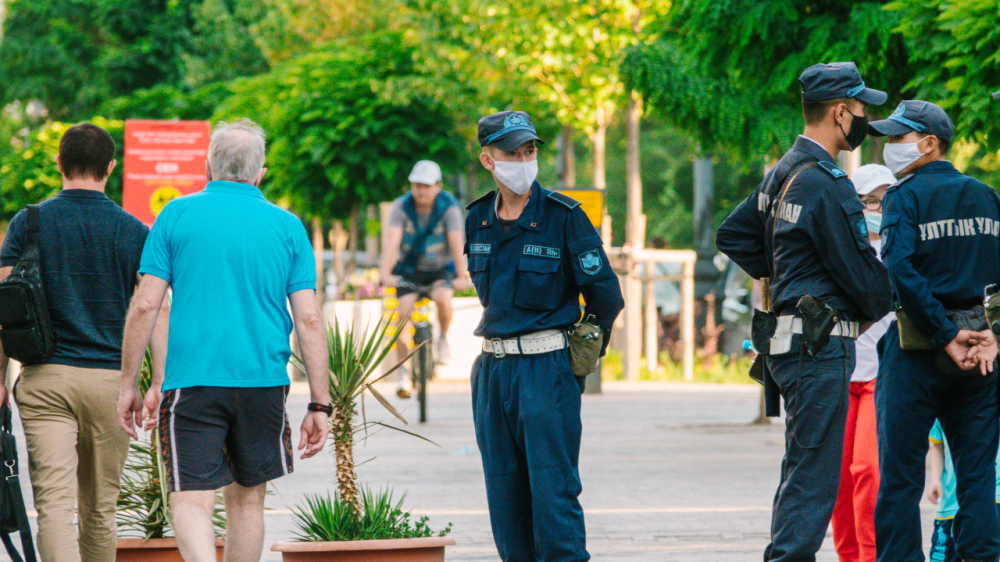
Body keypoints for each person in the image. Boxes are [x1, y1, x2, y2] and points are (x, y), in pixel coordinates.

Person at [117, 119, 332, 562]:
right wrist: (320, 403)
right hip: (263, 382)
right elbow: (308, 319)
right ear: (261, 173)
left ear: (207, 166)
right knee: (248, 500)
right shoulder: (288, 227)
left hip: (193, 382)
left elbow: (145, 306)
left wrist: (128, 386)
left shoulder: (175, 214)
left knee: (191, 499)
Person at [715, 62, 893, 562]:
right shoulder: (828, 183)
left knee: (802, 469)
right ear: (839, 112)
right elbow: (866, 283)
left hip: (790, 344)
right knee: (815, 477)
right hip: (821, 346)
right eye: (860, 111)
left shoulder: (784, 171)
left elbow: (732, 234)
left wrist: (790, 275)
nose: (863, 120)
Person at [465, 110, 624, 561]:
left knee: (553, 498)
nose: (523, 159)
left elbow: (606, 297)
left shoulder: (564, 217)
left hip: (545, 370)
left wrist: (581, 357)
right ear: (487, 160)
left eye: (529, 150)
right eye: (511, 153)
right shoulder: (478, 218)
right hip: (492, 373)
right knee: (505, 500)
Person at [0, 123, 158, 562]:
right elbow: (153, 310)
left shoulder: (28, 223)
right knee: (100, 508)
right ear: (111, 167)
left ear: (59, 164)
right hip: (111, 384)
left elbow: (4, 307)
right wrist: (157, 380)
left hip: (45, 380)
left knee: (53, 506)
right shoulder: (134, 231)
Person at [872, 100, 1000, 562]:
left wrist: (945, 334)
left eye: (897, 138)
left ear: (929, 144)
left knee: (900, 477)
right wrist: (993, 333)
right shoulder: (987, 196)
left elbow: (901, 272)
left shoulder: (903, 198)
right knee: (977, 476)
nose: (889, 147)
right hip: (981, 356)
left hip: (918, 352)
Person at [830, 164, 896, 562]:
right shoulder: (840, 249)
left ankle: (872, 556)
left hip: (882, 374)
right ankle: (849, 556)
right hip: (838, 371)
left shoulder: (901, 247)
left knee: (868, 471)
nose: (876, 208)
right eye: (868, 201)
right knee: (836, 480)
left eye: (884, 200)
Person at [379, 160, 469, 398]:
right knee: (402, 313)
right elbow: (391, 242)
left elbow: (456, 242)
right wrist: (385, 274)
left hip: (440, 270)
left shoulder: (449, 207)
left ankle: (442, 339)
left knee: (443, 299)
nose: (421, 191)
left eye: (427, 186)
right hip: (409, 271)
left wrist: (462, 276)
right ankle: (403, 373)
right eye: (417, 185)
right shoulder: (401, 207)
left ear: (438, 186)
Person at [925, 419, 1000, 562]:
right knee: (942, 555)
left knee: (981, 553)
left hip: (989, 499)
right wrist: (935, 479)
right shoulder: (939, 403)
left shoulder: (989, 402)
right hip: (950, 504)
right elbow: (936, 445)